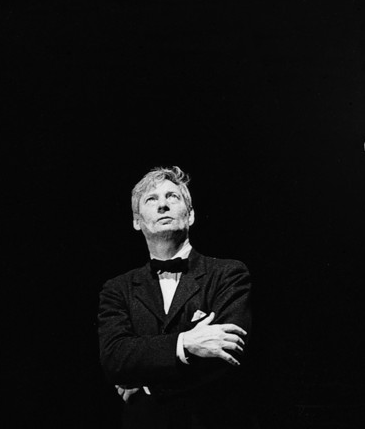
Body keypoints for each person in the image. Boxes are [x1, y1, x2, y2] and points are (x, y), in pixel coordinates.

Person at [98, 166, 252, 428]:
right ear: (137, 221)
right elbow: (115, 359)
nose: (163, 206)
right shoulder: (118, 288)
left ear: (190, 215)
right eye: (152, 199)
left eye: (172, 197)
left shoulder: (228, 273)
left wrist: (146, 385)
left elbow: (226, 355)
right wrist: (185, 343)